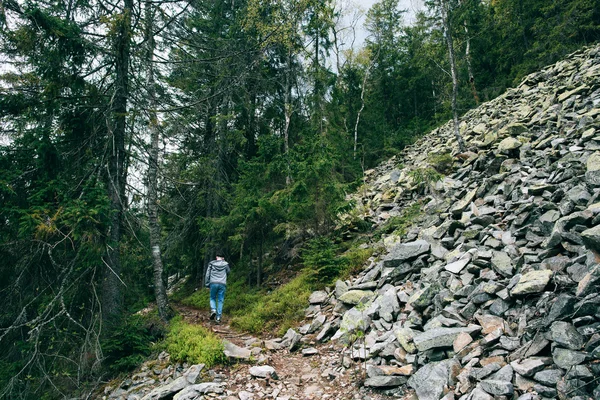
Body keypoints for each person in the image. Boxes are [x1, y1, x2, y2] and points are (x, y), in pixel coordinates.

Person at [204, 252, 230, 323]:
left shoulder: (211, 264)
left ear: (216, 257)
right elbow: (228, 272)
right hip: (222, 284)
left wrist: (207, 284)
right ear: (223, 258)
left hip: (213, 283)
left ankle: (213, 310)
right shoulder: (226, 264)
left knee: (212, 298)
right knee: (220, 300)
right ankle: (218, 318)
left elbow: (207, 275)